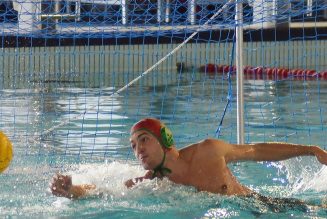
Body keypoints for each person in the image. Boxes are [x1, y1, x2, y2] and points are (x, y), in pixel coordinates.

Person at [51, 118, 327, 202]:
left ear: (165, 139)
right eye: (133, 146)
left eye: (144, 139)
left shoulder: (208, 151)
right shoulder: (152, 183)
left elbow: (255, 151)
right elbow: (105, 193)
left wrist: (311, 149)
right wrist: (72, 189)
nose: (138, 150)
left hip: (266, 206)